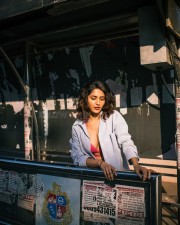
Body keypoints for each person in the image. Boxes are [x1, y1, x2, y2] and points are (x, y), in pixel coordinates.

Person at [69, 80, 154, 181]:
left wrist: (136, 165)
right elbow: (78, 158)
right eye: (93, 98)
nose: (98, 103)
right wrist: (100, 163)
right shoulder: (77, 126)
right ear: (86, 99)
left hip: (117, 176)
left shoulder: (114, 117)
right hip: (92, 179)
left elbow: (125, 141)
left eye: (102, 98)